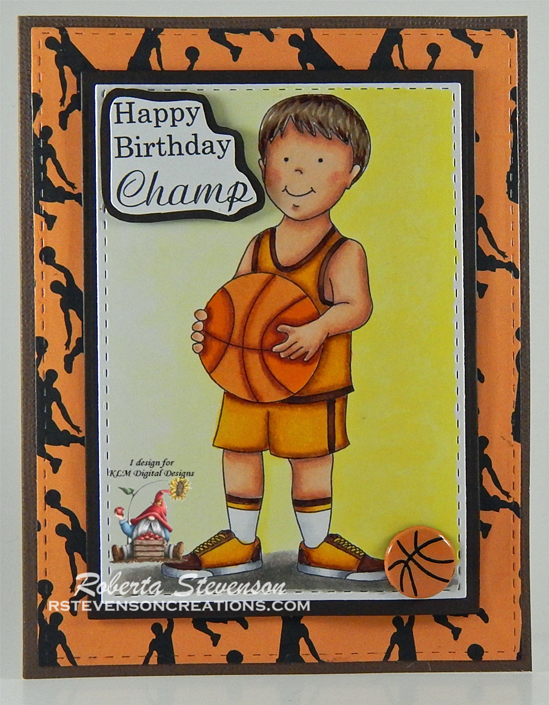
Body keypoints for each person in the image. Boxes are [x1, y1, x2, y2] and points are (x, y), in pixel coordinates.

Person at [163, 94, 385, 582]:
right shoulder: (259, 244)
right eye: (285, 159)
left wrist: (319, 327)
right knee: (238, 453)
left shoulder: (342, 251)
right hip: (248, 382)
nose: (298, 175)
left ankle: (317, 545)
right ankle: (241, 541)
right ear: (264, 164)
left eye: (319, 162)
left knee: (311, 462)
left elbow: (357, 306)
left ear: (352, 173)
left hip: (312, 384)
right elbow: (235, 300)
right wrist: (213, 332)